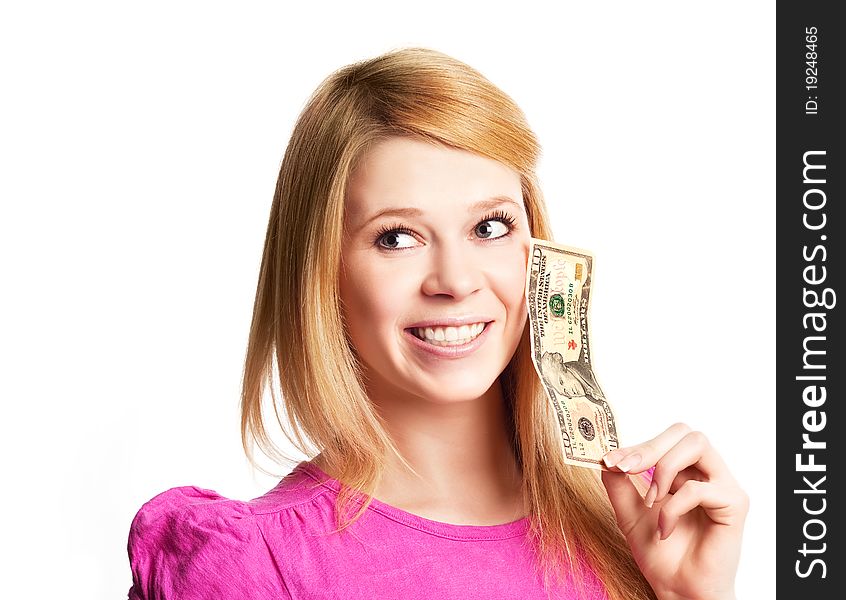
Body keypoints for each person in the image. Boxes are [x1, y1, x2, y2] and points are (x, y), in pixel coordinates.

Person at [126, 47, 748, 600]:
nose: (455, 279)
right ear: (323, 272)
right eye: (397, 237)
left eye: (490, 227)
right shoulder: (254, 569)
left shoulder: (643, 523)